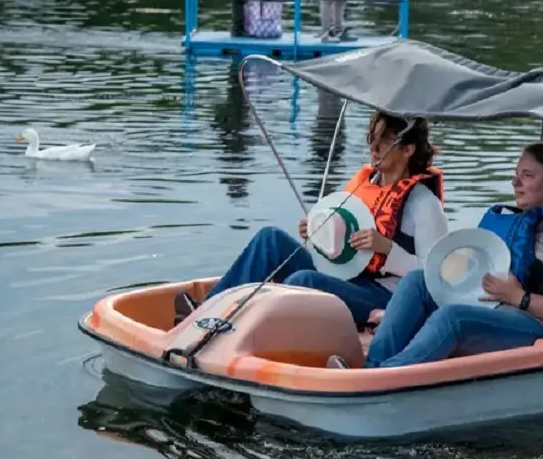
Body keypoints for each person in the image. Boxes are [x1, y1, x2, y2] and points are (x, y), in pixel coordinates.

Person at [329, 140, 543, 369]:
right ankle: (373, 365)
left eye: (527, 176)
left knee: (452, 318)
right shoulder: (515, 222)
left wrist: (519, 298)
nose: (515, 182)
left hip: (538, 325)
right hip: (491, 307)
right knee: (416, 279)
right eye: (515, 174)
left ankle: (380, 379)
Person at [179, 112, 448, 327]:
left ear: (408, 149)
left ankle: (249, 333)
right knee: (270, 239)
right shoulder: (367, 184)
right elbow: (340, 246)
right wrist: (317, 234)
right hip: (350, 277)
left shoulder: (424, 205)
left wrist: (387, 250)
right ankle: (205, 315)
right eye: (371, 138)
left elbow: (435, 278)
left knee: (303, 281)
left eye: (384, 142)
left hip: (389, 297)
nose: (373, 148)